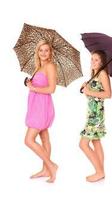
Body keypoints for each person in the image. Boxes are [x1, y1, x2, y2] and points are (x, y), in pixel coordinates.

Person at [24, 40, 58, 183]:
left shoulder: (50, 66)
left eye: (46, 50)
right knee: (44, 138)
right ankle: (45, 170)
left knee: (28, 140)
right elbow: (37, 84)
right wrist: (29, 84)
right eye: (41, 50)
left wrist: (33, 88)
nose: (43, 53)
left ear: (50, 52)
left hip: (41, 106)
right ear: (37, 52)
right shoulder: (39, 67)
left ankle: (51, 166)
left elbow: (52, 89)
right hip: (36, 104)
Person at [79, 50, 112, 182]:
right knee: (96, 141)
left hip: (96, 115)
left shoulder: (102, 74)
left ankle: (99, 171)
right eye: (92, 59)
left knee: (83, 144)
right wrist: (86, 89)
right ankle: (101, 171)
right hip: (93, 112)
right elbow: (95, 94)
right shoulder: (95, 74)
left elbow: (108, 94)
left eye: (96, 59)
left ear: (102, 62)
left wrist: (89, 91)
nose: (93, 61)